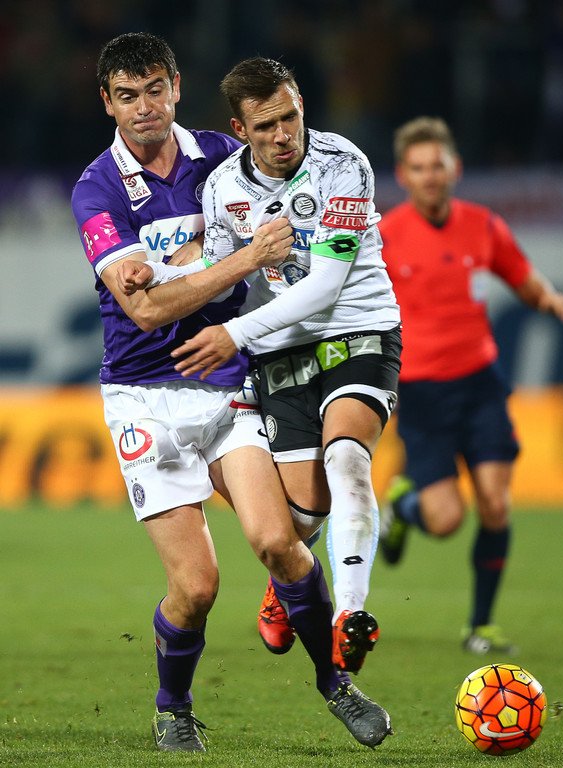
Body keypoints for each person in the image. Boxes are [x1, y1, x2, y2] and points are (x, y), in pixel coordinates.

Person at [71, 33, 392, 753]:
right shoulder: (97, 191)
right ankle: (173, 705)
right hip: (143, 396)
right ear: (107, 103)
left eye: (156, 89)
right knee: (198, 587)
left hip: (225, 383)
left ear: (176, 87)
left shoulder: (223, 157)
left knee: (280, 542)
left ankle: (336, 684)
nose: (145, 107)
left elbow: (293, 217)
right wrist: (245, 259)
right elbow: (146, 312)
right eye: (128, 95)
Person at [127, 57, 402, 676]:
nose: (283, 136)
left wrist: (233, 334)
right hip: (282, 349)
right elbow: (221, 270)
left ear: (301, 104)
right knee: (299, 518)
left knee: (347, 459)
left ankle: (349, 614)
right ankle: (285, 580)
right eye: (266, 126)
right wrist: (156, 271)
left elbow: (326, 286)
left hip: (359, 329)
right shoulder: (225, 187)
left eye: (290, 117)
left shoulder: (342, 164)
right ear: (240, 128)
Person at [376, 116, 563, 654]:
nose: (429, 176)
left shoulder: (483, 225)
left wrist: (550, 299)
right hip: (422, 390)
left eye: (437, 166)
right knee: (446, 520)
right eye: (418, 168)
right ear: (404, 174)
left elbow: (522, 277)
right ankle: (403, 509)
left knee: (496, 505)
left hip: (480, 384)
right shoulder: (385, 236)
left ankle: (480, 627)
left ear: (455, 168)